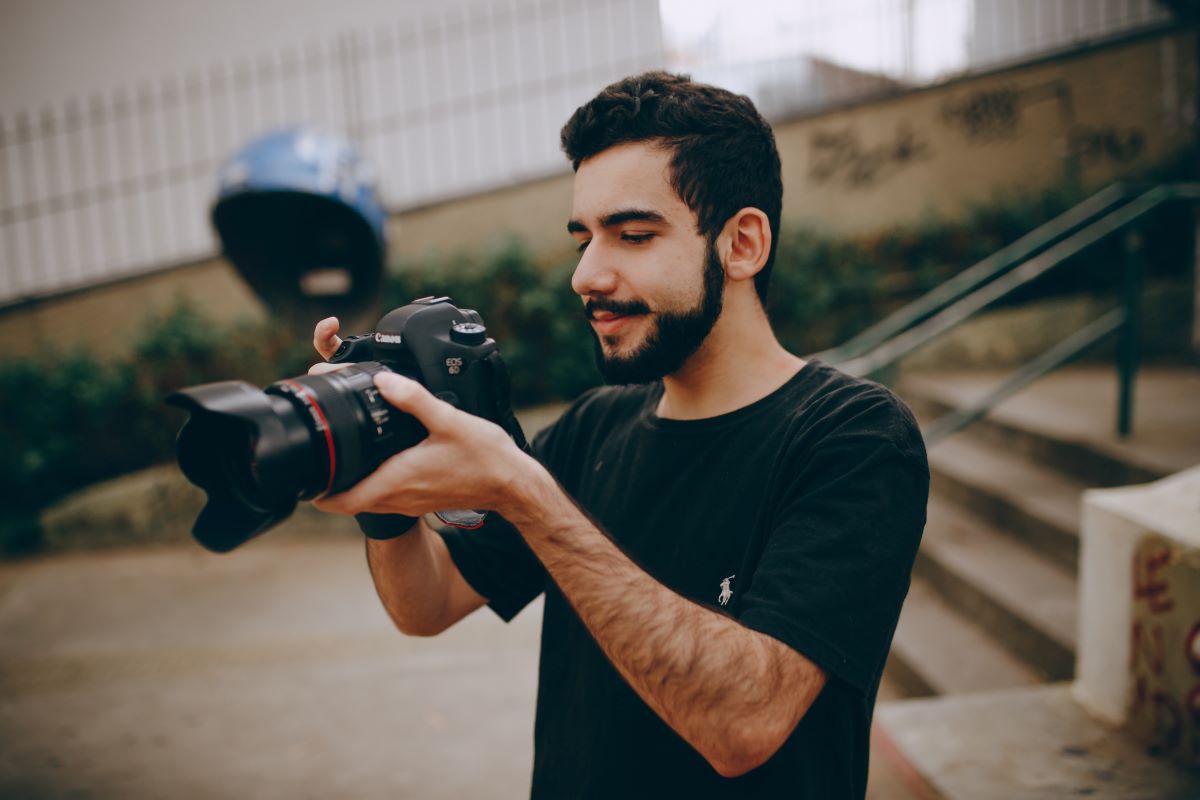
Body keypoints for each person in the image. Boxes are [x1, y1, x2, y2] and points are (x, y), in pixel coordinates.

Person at [310, 71, 928, 799]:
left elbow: (743, 724)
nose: (586, 275)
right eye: (584, 238)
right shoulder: (593, 427)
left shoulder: (853, 437)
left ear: (742, 243)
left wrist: (527, 493)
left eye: (633, 235)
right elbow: (428, 604)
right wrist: (376, 474)